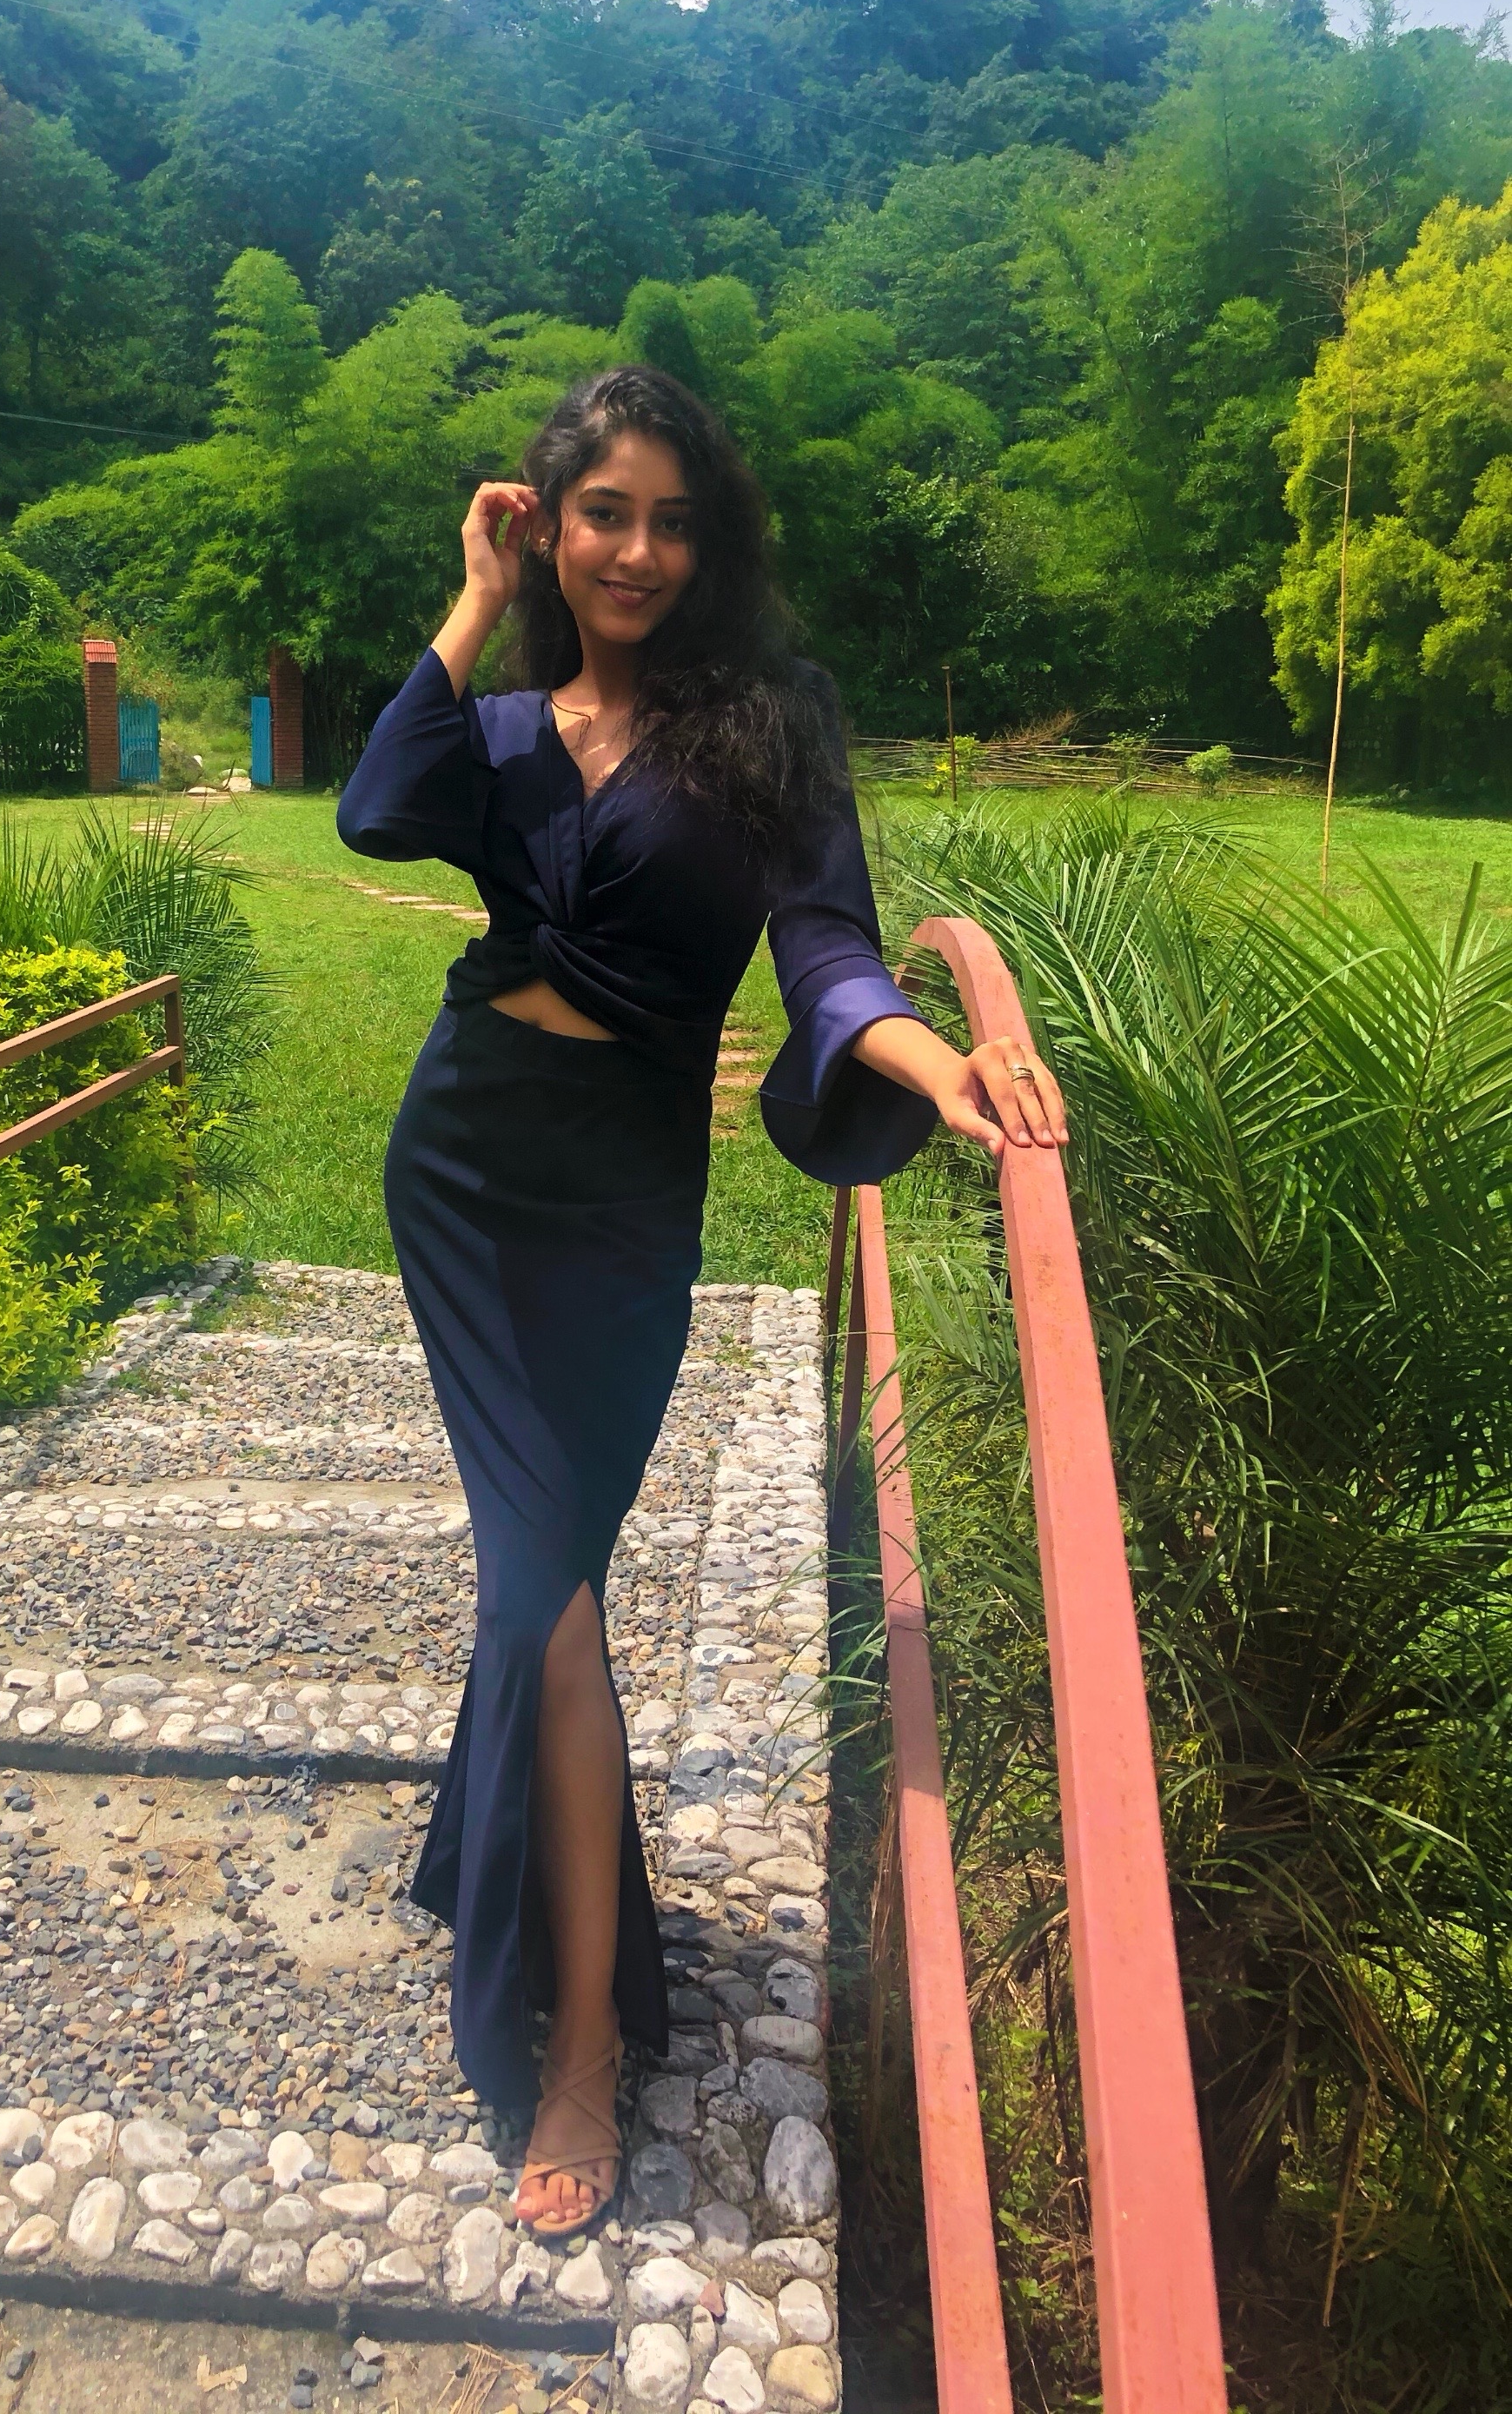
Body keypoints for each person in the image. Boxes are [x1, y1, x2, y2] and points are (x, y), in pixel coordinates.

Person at [335, 365, 1066, 2240]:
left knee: (542, 1592)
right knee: (546, 1597)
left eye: (673, 519)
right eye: (604, 514)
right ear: (551, 523)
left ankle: (541, 1952)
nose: (639, 551)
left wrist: (934, 1061)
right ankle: (583, 2033)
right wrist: (474, 600)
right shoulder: (507, 732)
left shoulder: (767, 721)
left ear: (710, 537)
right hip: (463, 1168)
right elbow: (376, 808)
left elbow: (824, 948)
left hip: (621, 1201)